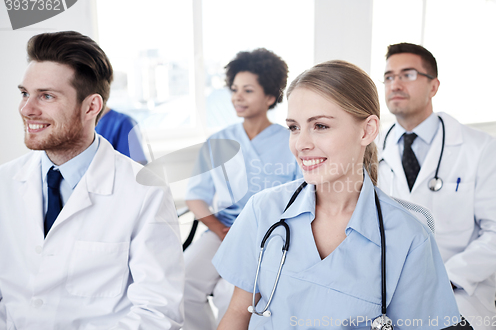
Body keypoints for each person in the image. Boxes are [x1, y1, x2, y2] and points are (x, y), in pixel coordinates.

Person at [213, 60, 461, 329]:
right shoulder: (264, 210)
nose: (301, 144)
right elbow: (239, 312)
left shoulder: (408, 237)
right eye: (294, 127)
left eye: (320, 126)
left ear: (367, 130)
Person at [0, 31, 184, 329]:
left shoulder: (144, 192)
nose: (26, 109)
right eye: (25, 93)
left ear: (91, 107)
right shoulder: (5, 183)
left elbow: (158, 312)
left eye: (46, 96)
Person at [378, 42, 496, 330]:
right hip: (385, 297)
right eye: (388, 76)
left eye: (407, 74)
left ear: (434, 86)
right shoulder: (371, 150)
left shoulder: (481, 149)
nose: (395, 83)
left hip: (457, 294)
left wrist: (441, 276)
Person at [183, 48, 301, 329]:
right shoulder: (218, 141)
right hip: (221, 231)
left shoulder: (291, 143)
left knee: (230, 294)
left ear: (270, 96)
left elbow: (301, 198)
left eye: (248, 90)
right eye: (235, 89)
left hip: (269, 237)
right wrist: (218, 229)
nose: (237, 96)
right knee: (182, 281)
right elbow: (195, 195)